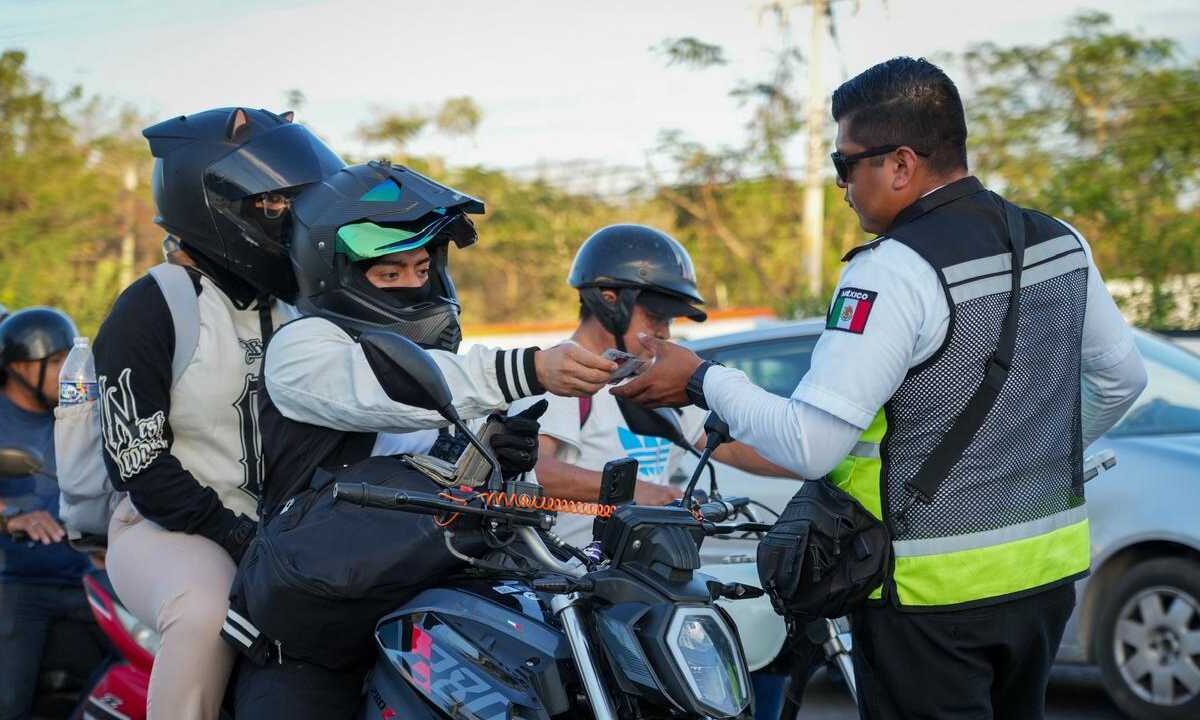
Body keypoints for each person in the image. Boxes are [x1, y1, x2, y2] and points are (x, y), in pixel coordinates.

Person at [613, 57, 1147, 720]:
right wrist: (1019, 463)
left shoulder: (893, 272)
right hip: (1044, 579)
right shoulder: (1058, 240)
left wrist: (702, 377)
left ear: (899, 164)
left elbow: (811, 445)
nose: (841, 185)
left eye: (845, 164)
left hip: (928, 596)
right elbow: (1123, 379)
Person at [231, 161, 616, 718]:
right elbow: (376, 390)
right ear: (335, 273)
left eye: (420, 267)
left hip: (424, 609)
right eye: (390, 274)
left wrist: (502, 461)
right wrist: (526, 368)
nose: (413, 284)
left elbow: (458, 486)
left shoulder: (444, 369)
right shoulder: (303, 347)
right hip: (315, 631)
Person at [93, 106, 346, 720]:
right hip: (166, 529)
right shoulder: (154, 305)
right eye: (274, 204)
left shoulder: (301, 306)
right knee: (207, 608)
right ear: (212, 203)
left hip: (283, 533)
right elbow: (138, 462)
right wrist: (234, 536)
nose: (291, 219)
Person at [510, 224, 797, 548]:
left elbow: (731, 446)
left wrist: (813, 465)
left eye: (669, 321)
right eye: (655, 317)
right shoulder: (560, 376)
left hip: (642, 572)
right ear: (609, 302)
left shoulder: (654, 383)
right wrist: (637, 489)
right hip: (571, 581)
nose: (664, 332)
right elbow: (534, 471)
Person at [0, 307, 106, 720]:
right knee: (9, 704)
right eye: (58, 362)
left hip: (87, 579)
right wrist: (12, 514)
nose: (69, 372)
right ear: (22, 366)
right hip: (18, 585)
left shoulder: (78, 413)